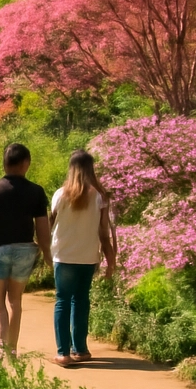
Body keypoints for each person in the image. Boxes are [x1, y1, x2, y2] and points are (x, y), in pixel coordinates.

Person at [0, 144, 52, 354]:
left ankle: (2, 351)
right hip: (25, 252)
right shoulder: (36, 191)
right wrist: (47, 254)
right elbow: (42, 228)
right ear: (25, 164)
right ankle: (12, 350)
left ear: (5, 163)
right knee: (15, 302)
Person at [50, 150, 117, 366]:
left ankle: (63, 353)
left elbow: (50, 224)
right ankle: (80, 350)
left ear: (71, 168)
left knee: (63, 301)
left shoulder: (60, 194)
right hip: (88, 257)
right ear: (90, 169)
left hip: (63, 256)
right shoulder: (99, 197)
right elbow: (103, 232)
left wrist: (42, 250)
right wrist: (110, 260)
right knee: (81, 300)